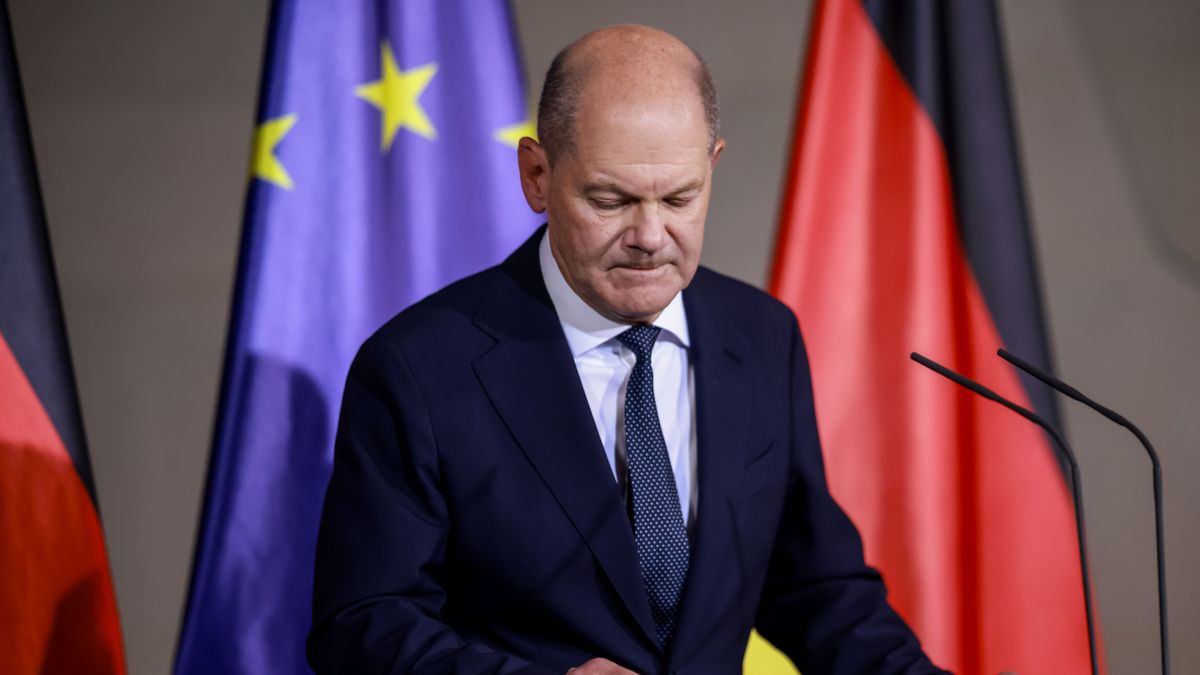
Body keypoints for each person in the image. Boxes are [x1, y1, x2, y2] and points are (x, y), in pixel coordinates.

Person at [308, 24, 945, 675]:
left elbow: (817, 591)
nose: (649, 234)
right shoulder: (419, 368)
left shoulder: (759, 336)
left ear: (713, 166)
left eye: (679, 197)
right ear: (537, 175)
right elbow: (363, 623)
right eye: (610, 200)